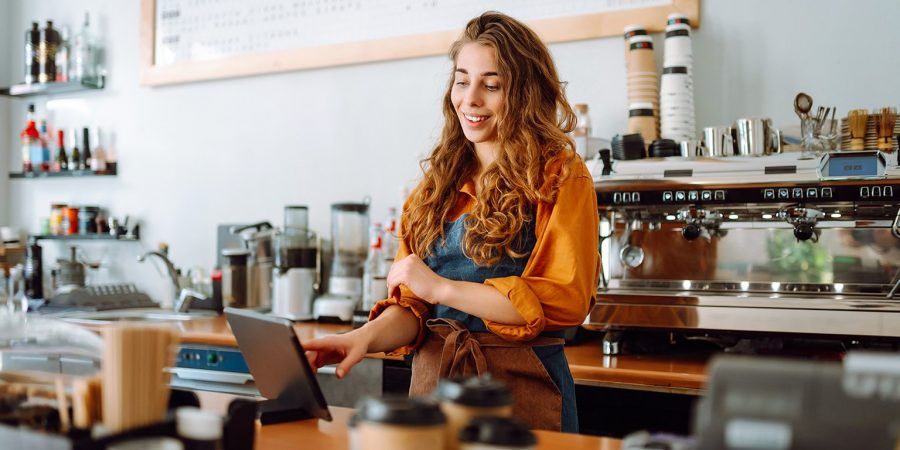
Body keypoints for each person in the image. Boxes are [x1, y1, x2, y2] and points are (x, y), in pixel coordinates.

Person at [304, 11, 599, 433]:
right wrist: (361, 339)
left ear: (526, 94)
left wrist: (441, 287)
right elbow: (413, 308)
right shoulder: (433, 189)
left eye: (492, 85)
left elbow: (564, 298)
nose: (471, 99)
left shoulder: (560, 176)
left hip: (520, 398)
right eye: (462, 81)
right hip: (433, 393)